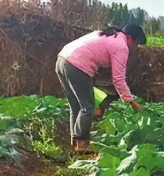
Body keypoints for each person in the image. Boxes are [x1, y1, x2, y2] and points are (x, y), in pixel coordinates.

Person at [55, 23, 147, 152]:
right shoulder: (121, 46)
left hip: (62, 59)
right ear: (130, 38)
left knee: (75, 106)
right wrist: (131, 102)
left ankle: (75, 143)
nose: (136, 47)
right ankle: (81, 145)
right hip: (77, 65)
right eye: (136, 44)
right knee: (87, 107)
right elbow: (118, 79)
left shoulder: (107, 35)